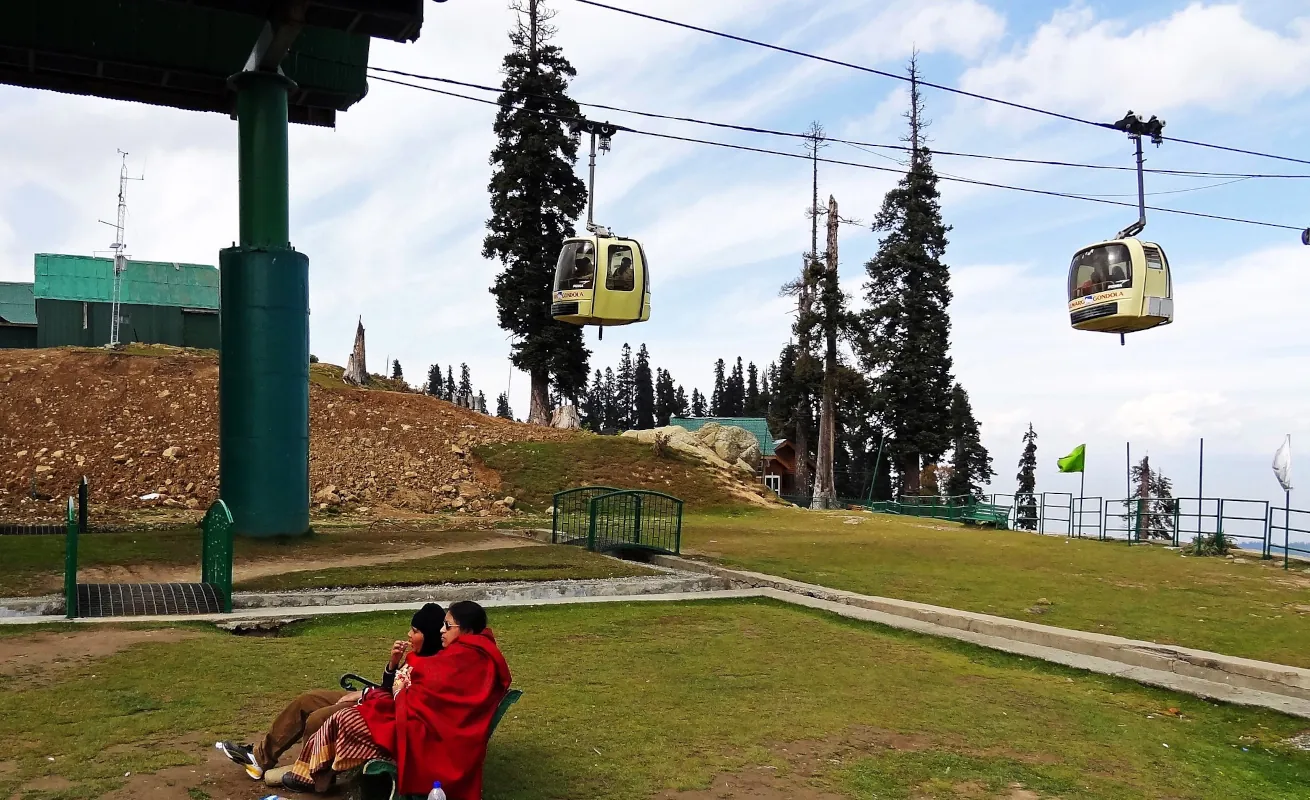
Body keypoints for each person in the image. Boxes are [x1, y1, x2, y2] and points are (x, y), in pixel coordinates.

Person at [215, 603, 445, 786]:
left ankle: (312, 777)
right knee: (307, 701)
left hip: (380, 710)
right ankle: (260, 758)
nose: (408, 634)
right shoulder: (416, 655)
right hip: (375, 698)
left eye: (415, 631)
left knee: (319, 718)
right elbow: (391, 685)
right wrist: (393, 663)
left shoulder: (435, 665)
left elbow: (403, 700)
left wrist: (363, 695)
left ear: (431, 635)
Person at [357, 600, 512, 799]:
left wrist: (397, 692)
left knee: (347, 717)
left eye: (448, 625)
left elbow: (431, 696)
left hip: (439, 738)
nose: (442, 630)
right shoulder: (474, 652)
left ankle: (320, 778)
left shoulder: (462, 658)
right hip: (438, 726)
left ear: (467, 629)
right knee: (347, 712)